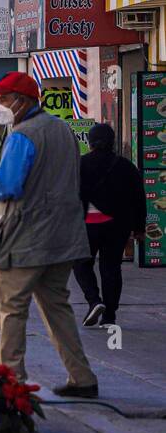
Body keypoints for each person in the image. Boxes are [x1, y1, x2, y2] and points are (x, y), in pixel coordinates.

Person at [0, 72, 98, 398]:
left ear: (22, 101)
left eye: (4, 98)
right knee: (58, 307)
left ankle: (11, 381)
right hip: (63, 237)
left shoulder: (22, 135)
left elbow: (11, 185)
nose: (0, 105)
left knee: (10, 307)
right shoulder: (63, 130)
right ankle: (82, 377)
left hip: (24, 238)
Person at [73, 123, 146, 329]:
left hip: (88, 224)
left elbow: (70, 195)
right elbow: (139, 198)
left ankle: (94, 300)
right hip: (118, 225)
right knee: (111, 267)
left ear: (89, 141)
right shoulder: (126, 166)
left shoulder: (81, 164)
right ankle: (110, 315)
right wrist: (139, 228)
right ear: (113, 142)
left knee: (80, 263)